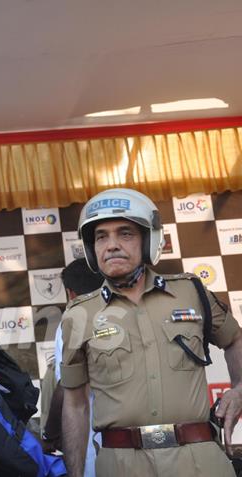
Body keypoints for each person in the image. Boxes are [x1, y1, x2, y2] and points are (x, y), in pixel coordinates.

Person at [60, 188, 242, 477]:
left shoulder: (191, 292)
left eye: (126, 234)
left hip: (201, 461)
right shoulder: (78, 314)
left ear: (149, 240)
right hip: (120, 465)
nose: (112, 245)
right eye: (101, 236)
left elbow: (235, 339)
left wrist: (239, 388)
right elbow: (75, 405)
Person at [40, 258, 103, 476]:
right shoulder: (126, 312)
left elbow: (65, 389)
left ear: (70, 293)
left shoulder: (74, 319)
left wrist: (49, 435)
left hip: (91, 437)